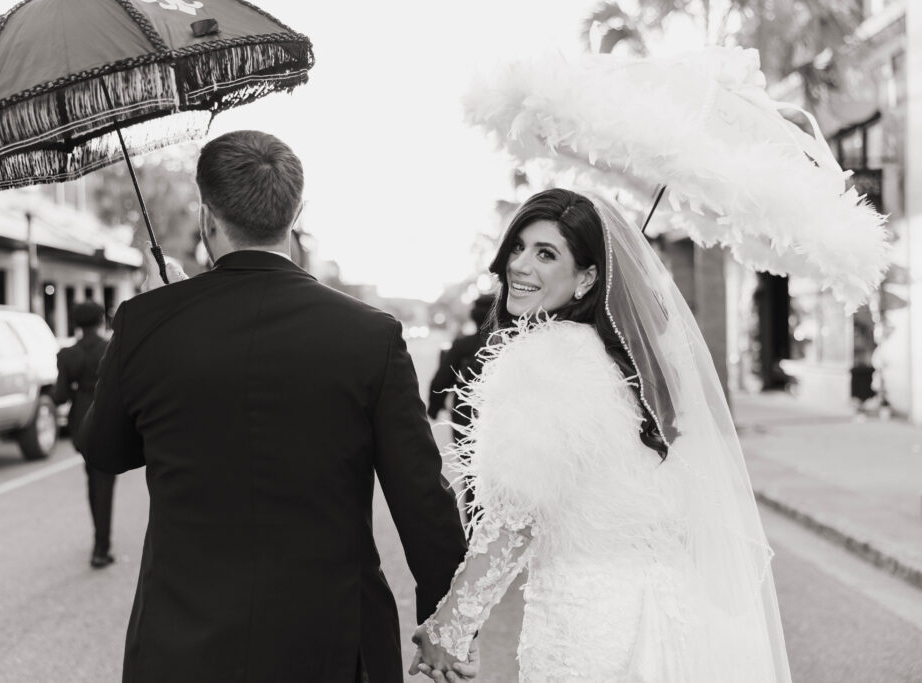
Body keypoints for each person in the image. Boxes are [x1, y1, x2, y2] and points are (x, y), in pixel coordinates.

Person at [81, 130, 470, 683]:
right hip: (334, 644)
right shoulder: (370, 336)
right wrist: (450, 626)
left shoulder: (147, 322)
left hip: (184, 645)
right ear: (296, 212)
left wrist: (136, 338)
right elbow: (422, 497)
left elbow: (105, 449)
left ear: (207, 216)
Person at [411, 189, 792, 682]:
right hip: (674, 619)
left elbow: (514, 518)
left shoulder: (542, 360)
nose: (520, 266)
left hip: (587, 630)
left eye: (546, 254)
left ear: (587, 277)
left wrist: (452, 626)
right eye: (518, 247)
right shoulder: (634, 369)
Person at [54, 300, 116, 569]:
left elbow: (60, 396)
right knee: (104, 483)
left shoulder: (67, 354)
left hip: (81, 423)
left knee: (93, 480)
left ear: (76, 325)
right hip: (108, 419)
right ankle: (100, 547)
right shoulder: (111, 348)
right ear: (101, 320)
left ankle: (100, 541)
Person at [427, 294, 495, 527]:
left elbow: (441, 381)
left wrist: (434, 409)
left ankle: (474, 531)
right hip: (499, 424)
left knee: (471, 478)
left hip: (465, 422)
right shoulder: (506, 344)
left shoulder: (463, 345)